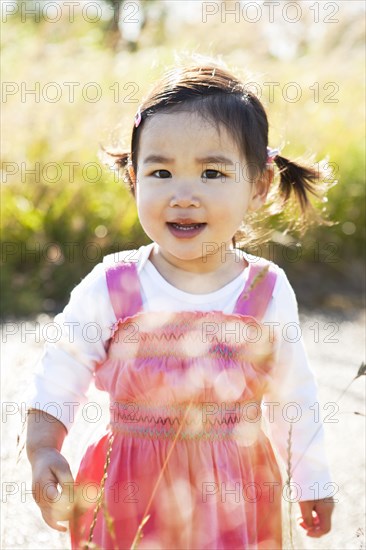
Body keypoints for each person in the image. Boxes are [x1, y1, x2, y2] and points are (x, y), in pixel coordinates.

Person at [26, 60, 335, 549]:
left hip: (237, 489)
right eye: (161, 172)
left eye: (212, 172)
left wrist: (312, 481)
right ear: (134, 178)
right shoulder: (116, 286)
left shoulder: (263, 291)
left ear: (257, 186)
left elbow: (294, 396)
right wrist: (43, 447)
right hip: (129, 485)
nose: (183, 195)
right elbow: (61, 368)